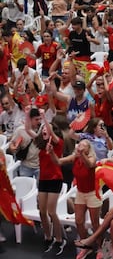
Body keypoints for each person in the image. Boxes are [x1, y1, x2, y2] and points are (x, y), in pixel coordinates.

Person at [24, 107, 66, 255]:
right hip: (43, 180)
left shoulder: (57, 142)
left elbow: (52, 132)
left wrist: (44, 118)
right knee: (42, 211)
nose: (43, 130)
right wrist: (27, 113)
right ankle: (48, 237)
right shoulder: (41, 144)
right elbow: (27, 128)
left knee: (51, 212)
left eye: (45, 128)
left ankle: (60, 239)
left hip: (55, 180)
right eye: (41, 128)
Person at [51, 139, 100, 259]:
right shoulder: (75, 157)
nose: (81, 146)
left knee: (95, 223)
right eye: (80, 144)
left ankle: (100, 247)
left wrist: (82, 154)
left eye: (84, 145)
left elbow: (90, 164)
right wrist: (51, 152)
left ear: (88, 149)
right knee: (78, 221)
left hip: (93, 193)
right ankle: (85, 246)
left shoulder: (92, 158)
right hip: (80, 193)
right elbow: (58, 162)